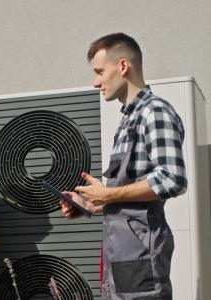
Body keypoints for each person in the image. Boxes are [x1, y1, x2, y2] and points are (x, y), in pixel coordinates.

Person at [59, 33, 187, 299]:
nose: (96, 82)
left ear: (123, 67)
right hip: (121, 251)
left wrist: (109, 194)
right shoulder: (128, 120)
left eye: (99, 72)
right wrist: (92, 204)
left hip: (141, 251)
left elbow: (172, 179)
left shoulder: (155, 112)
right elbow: (129, 193)